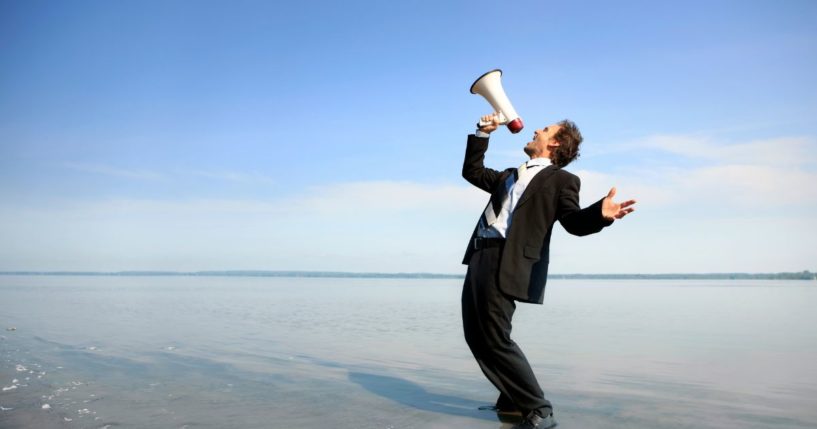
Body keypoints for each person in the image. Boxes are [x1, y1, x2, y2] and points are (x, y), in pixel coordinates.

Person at [460, 113, 636, 429]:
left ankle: (540, 409)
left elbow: (573, 222)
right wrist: (482, 134)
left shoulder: (563, 180)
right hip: (480, 255)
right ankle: (512, 399)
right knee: (476, 335)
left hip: (509, 260)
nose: (537, 130)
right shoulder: (509, 176)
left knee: (494, 338)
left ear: (554, 143)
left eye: (545, 129)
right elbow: (471, 171)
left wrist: (601, 215)